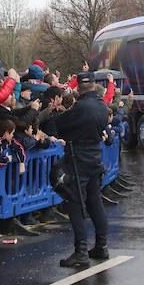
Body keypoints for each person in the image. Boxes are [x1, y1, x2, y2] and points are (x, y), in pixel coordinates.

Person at [54, 71, 110, 268]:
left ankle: (81, 252)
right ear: (94, 86)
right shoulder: (102, 105)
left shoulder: (81, 107)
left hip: (79, 160)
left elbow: (60, 125)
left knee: (75, 203)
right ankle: (101, 245)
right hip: (95, 158)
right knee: (95, 201)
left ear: (78, 88)